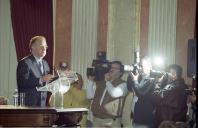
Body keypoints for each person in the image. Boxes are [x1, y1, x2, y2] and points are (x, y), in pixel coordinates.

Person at [87, 61, 128, 127]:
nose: (111, 69)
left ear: (120, 73)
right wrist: (90, 81)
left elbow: (114, 93)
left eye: (115, 68)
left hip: (111, 121)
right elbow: (90, 96)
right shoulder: (101, 83)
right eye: (111, 67)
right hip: (96, 119)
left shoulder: (124, 84)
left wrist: (107, 81)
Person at [17, 36, 54, 107]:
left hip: (42, 104)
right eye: (41, 46)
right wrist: (41, 79)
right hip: (28, 105)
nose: (44, 49)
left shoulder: (45, 63)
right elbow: (22, 82)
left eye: (45, 46)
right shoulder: (25, 62)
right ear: (33, 47)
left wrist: (62, 77)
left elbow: (48, 82)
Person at [127, 56, 156, 128]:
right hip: (136, 115)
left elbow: (142, 94)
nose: (140, 68)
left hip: (145, 117)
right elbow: (129, 88)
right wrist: (131, 75)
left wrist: (135, 81)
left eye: (142, 66)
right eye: (140, 66)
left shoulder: (152, 79)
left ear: (150, 66)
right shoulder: (140, 77)